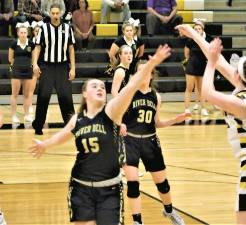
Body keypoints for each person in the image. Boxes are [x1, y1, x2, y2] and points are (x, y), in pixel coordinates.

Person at [27, 44, 172, 225]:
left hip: (109, 187)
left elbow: (131, 87)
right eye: (95, 86)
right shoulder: (78, 119)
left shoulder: (111, 112)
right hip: (81, 186)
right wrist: (45, 145)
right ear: (84, 94)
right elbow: (62, 135)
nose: (100, 88)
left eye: (103, 87)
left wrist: (151, 65)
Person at [176, 24, 246, 225]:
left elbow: (208, 93)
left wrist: (209, 64)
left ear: (238, 76)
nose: (231, 70)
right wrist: (194, 35)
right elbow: (219, 60)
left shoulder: (242, 102)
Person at [121, 60, 188, 225]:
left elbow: (157, 123)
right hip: (129, 141)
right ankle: (137, 221)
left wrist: (175, 119)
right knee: (133, 183)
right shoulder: (128, 92)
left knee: (162, 184)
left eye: (147, 70)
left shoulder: (156, 97)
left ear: (151, 75)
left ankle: (169, 210)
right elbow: (114, 114)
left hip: (150, 142)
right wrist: (119, 123)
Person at [32, 3, 76, 135]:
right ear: (50, 14)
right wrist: (34, 64)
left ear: (61, 13)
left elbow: (71, 49)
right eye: (53, 13)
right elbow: (37, 47)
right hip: (47, 66)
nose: (55, 16)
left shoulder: (67, 28)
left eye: (57, 13)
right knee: (43, 96)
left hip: (62, 66)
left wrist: (73, 68)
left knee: (66, 97)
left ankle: (71, 126)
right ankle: (38, 126)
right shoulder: (43, 28)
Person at [8, 22, 36, 129]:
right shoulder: (14, 44)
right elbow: (10, 59)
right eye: (21, 32)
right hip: (16, 71)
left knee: (27, 95)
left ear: (27, 33)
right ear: (18, 33)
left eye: (25, 32)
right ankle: (14, 116)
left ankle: (27, 115)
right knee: (14, 94)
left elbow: (34, 59)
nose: (23, 34)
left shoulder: (31, 44)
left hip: (28, 71)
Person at [183, 19, 211, 118]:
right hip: (191, 66)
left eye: (199, 28)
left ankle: (203, 108)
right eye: (195, 29)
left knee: (201, 89)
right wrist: (188, 61)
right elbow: (186, 53)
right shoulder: (190, 40)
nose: (197, 30)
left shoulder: (207, 39)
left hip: (202, 66)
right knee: (189, 88)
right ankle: (186, 109)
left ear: (203, 30)